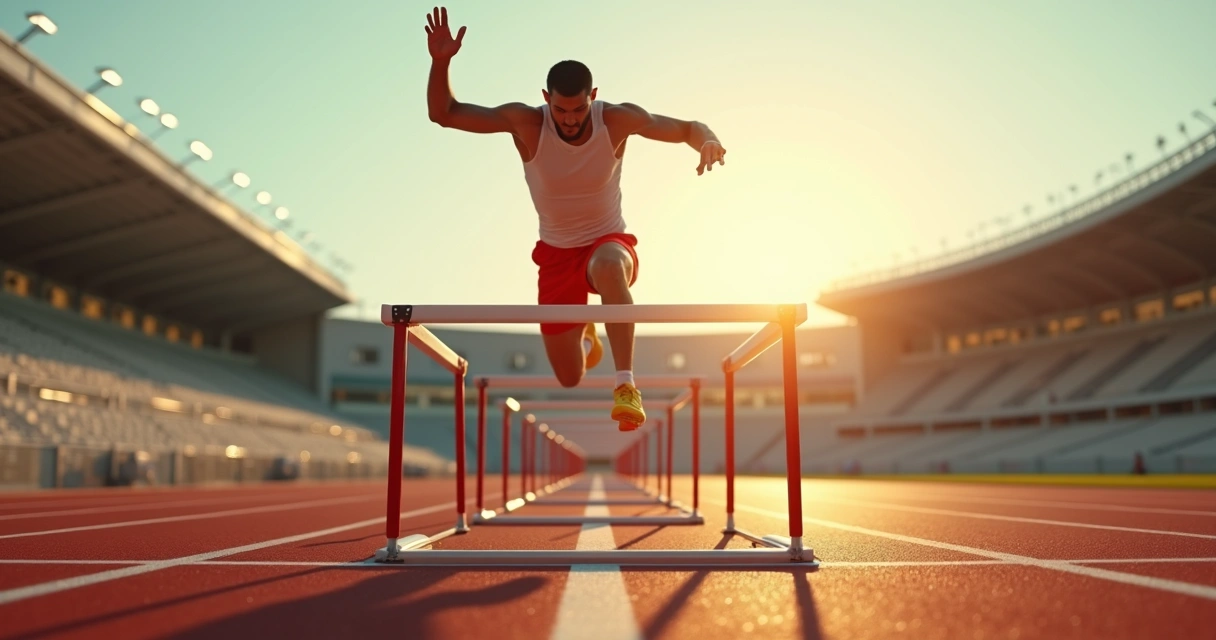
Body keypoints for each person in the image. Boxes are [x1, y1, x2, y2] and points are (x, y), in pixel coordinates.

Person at [423, 6, 727, 431]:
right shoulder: (526, 123)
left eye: (579, 110)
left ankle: (625, 385)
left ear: (593, 96)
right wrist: (441, 63)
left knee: (606, 265)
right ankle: (588, 334)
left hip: (609, 243)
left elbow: (687, 127)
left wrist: (708, 141)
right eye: (561, 110)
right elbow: (445, 114)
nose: (569, 120)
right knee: (569, 377)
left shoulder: (617, 120)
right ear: (546, 99)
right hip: (556, 255)